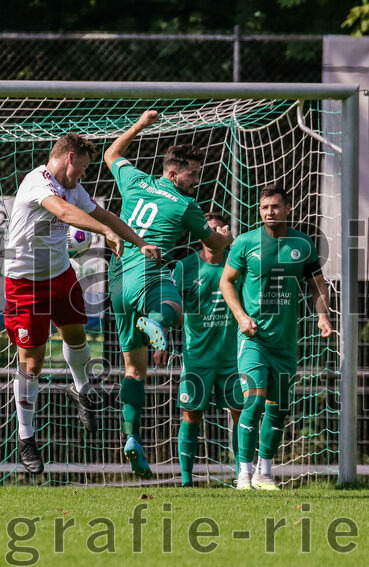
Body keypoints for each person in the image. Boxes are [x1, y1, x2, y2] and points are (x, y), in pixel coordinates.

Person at [4, 132, 160, 475]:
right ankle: (26, 436)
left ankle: (81, 390)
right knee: (32, 364)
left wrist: (139, 242)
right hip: (25, 284)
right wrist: (104, 234)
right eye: (84, 168)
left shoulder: (73, 188)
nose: (83, 176)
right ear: (70, 157)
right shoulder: (37, 182)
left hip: (60, 275)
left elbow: (104, 216)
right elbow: (63, 211)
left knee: (77, 336)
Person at [104, 110, 232, 479]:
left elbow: (112, 154)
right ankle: (156, 321)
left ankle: (132, 440)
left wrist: (140, 126)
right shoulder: (185, 205)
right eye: (192, 173)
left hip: (117, 280)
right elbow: (213, 242)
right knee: (173, 307)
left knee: (133, 370)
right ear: (174, 174)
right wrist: (226, 239)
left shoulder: (135, 180)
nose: (197, 179)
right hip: (147, 270)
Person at [220, 185, 332, 490]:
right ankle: (244, 473)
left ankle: (265, 473)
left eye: (275, 207)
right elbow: (226, 282)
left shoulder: (303, 244)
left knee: (277, 407)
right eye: (265, 207)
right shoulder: (244, 243)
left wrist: (322, 315)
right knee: (253, 402)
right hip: (254, 339)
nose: (270, 212)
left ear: (288, 208)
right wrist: (241, 317)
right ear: (259, 210)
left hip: (285, 343)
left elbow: (318, 285)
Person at [156, 212, 243, 487]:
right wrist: (162, 340)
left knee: (241, 413)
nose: (213, 233)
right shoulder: (185, 267)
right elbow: (170, 303)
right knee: (191, 414)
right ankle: (185, 480)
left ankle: (244, 476)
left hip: (233, 357)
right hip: (197, 358)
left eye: (219, 229)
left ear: (225, 234)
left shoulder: (238, 266)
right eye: (209, 229)